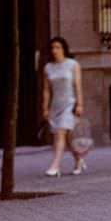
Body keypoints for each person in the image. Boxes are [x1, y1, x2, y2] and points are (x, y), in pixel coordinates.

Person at [42, 36, 85, 176]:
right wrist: (45, 108)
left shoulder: (73, 64)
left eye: (58, 47)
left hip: (70, 104)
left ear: (64, 49)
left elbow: (78, 85)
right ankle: (79, 160)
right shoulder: (48, 67)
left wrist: (79, 104)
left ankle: (55, 166)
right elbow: (46, 90)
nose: (55, 50)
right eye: (52, 48)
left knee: (60, 134)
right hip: (56, 106)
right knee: (68, 139)